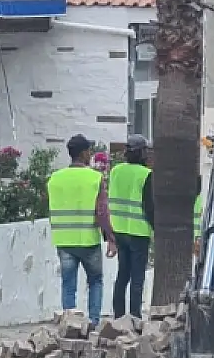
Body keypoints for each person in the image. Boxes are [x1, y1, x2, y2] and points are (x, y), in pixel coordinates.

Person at [47, 134, 116, 327]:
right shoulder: (95, 177)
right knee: (95, 281)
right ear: (84, 153)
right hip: (88, 241)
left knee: (68, 284)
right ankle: (93, 322)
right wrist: (111, 238)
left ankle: (70, 324)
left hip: (64, 241)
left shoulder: (54, 178)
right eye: (89, 151)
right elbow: (102, 212)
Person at [108, 135, 155, 318]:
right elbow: (149, 206)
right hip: (138, 232)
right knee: (137, 278)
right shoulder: (146, 174)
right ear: (142, 153)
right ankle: (135, 318)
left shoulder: (115, 171)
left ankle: (118, 317)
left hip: (119, 231)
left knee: (122, 275)